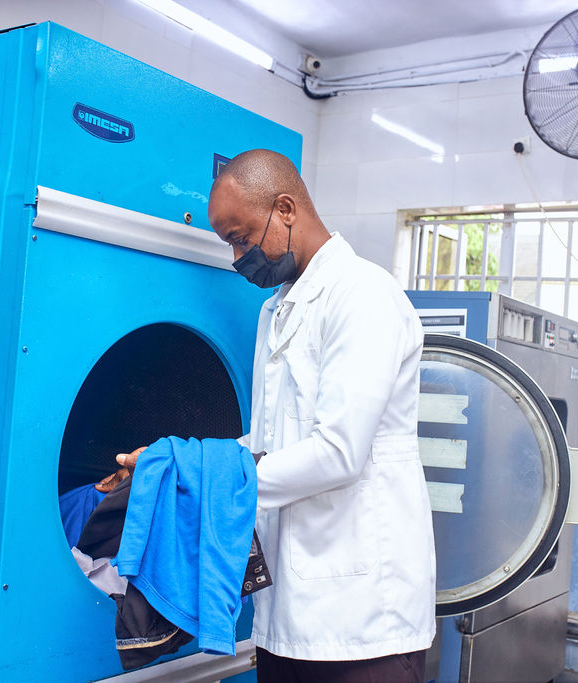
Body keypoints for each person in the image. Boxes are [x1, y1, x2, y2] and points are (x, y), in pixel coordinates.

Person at [119, 149, 436, 681]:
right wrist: (173, 465)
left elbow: (339, 453)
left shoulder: (362, 296)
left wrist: (219, 481)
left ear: (286, 208)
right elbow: (271, 440)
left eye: (242, 238)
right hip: (287, 610)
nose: (238, 258)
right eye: (230, 245)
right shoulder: (278, 308)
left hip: (363, 619)